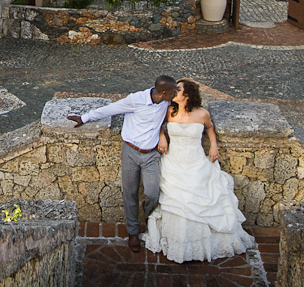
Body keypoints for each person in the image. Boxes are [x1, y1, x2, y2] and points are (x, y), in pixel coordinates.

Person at [141, 78, 255, 263]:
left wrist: (214, 146)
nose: (173, 91)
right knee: (175, 200)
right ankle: (177, 243)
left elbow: (209, 128)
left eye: (177, 89)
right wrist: (162, 137)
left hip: (195, 163)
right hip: (173, 162)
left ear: (187, 94)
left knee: (200, 198)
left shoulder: (202, 114)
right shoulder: (169, 111)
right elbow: (157, 125)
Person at [67, 75, 177, 253]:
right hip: (131, 152)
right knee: (130, 193)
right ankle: (133, 232)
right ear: (164, 92)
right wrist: (84, 118)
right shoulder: (136, 100)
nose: (175, 94)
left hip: (151, 155)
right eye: (173, 92)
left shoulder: (166, 101)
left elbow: (178, 101)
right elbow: (111, 109)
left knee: (152, 193)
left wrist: (162, 133)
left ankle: (150, 221)